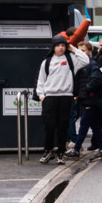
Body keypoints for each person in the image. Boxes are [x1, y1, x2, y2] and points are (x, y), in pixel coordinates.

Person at [36, 35, 89, 164]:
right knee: (49, 126)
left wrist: (73, 49)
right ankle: (48, 151)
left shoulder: (71, 59)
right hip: (49, 97)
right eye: (58, 45)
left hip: (66, 97)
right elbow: (41, 80)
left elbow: (86, 60)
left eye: (63, 45)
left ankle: (60, 152)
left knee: (63, 126)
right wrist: (42, 96)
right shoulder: (47, 62)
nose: (61, 48)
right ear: (53, 47)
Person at [66, 61, 102, 160]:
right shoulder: (90, 68)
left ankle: (76, 149)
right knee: (96, 128)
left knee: (83, 126)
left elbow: (93, 84)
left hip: (90, 103)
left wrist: (83, 89)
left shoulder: (92, 68)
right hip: (93, 103)